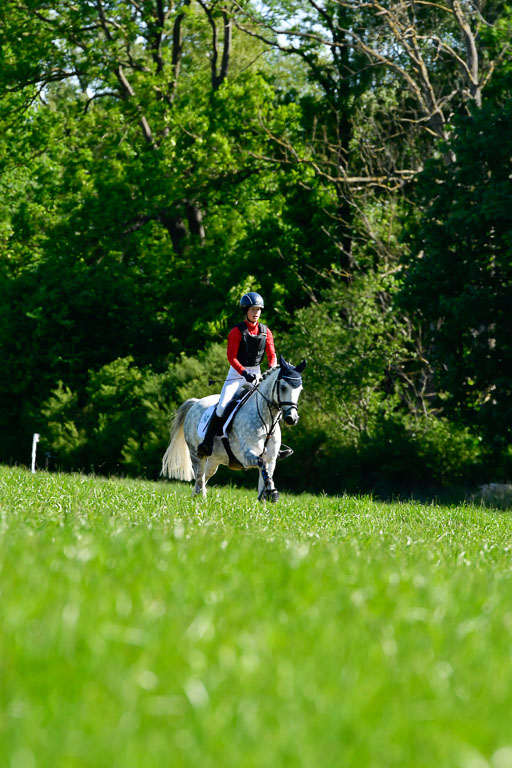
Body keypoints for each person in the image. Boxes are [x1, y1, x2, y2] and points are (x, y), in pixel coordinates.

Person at [197, 291, 278, 458]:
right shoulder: (236, 331)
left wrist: (272, 370)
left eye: (259, 310)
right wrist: (243, 372)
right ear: (245, 310)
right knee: (222, 405)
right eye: (253, 310)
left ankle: (274, 445)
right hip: (237, 373)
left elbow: (272, 355)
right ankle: (207, 441)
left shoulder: (266, 331)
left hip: (256, 372)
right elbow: (231, 357)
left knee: (270, 404)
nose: (256, 313)